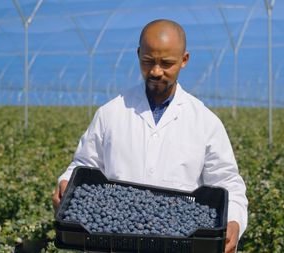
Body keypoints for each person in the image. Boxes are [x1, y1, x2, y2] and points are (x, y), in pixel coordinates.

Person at [52, 19, 248, 253]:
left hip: (180, 243)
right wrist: (66, 183)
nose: (156, 71)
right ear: (138, 54)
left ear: (184, 60)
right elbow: (84, 165)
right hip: (114, 242)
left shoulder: (205, 122)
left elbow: (227, 183)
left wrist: (234, 221)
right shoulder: (111, 113)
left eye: (166, 63)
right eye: (148, 62)